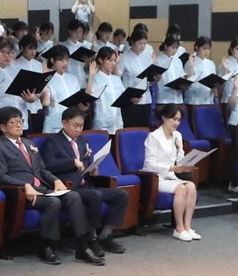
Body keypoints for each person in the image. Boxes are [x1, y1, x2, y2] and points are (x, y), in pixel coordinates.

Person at [0, 106, 104, 266]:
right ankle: (46, 246)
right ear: (3, 127)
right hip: (22, 192)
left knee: (73, 195)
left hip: (42, 188)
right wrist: (25, 185)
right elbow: (0, 176)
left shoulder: (29, 144)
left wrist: (56, 181)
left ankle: (82, 247)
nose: (19, 126)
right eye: (13, 123)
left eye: (20, 122)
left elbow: (41, 169)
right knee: (53, 202)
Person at [40, 106, 129, 255]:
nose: (78, 129)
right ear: (64, 123)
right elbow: (48, 165)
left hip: (86, 184)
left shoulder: (83, 141)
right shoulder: (53, 141)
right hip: (69, 187)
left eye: (81, 126)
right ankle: (91, 238)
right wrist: (72, 162)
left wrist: (92, 170)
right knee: (96, 196)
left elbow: (84, 165)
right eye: (75, 125)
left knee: (121, 195)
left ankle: (105, 235)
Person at [143, 104, 201, 241]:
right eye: (173, 119)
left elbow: (180, 157)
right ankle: (178, 228)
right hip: (157, 177)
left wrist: (187, 164)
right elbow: (150, 164)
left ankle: (187, 227)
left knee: (191, 187)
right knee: (181, 188)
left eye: (179, 120)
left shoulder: (177, 136)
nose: (176, 123)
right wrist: (172, 168)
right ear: (164, 118)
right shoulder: (153, 137)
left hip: (171, 176)